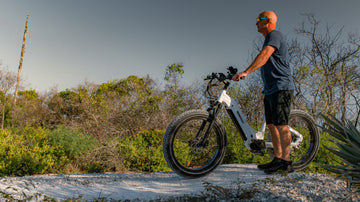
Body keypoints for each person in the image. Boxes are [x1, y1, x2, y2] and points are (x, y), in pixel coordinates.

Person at [232, 11, 295, 174]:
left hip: (281, 87)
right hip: (270, 89)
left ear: (268, 21)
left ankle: (286, 162)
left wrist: (246, 72)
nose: (256, 23)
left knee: (281, 125)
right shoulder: (269, 38)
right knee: (272, 126)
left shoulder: (275, 35)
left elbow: (265, 55)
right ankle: (277, 159)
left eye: (259, 20)